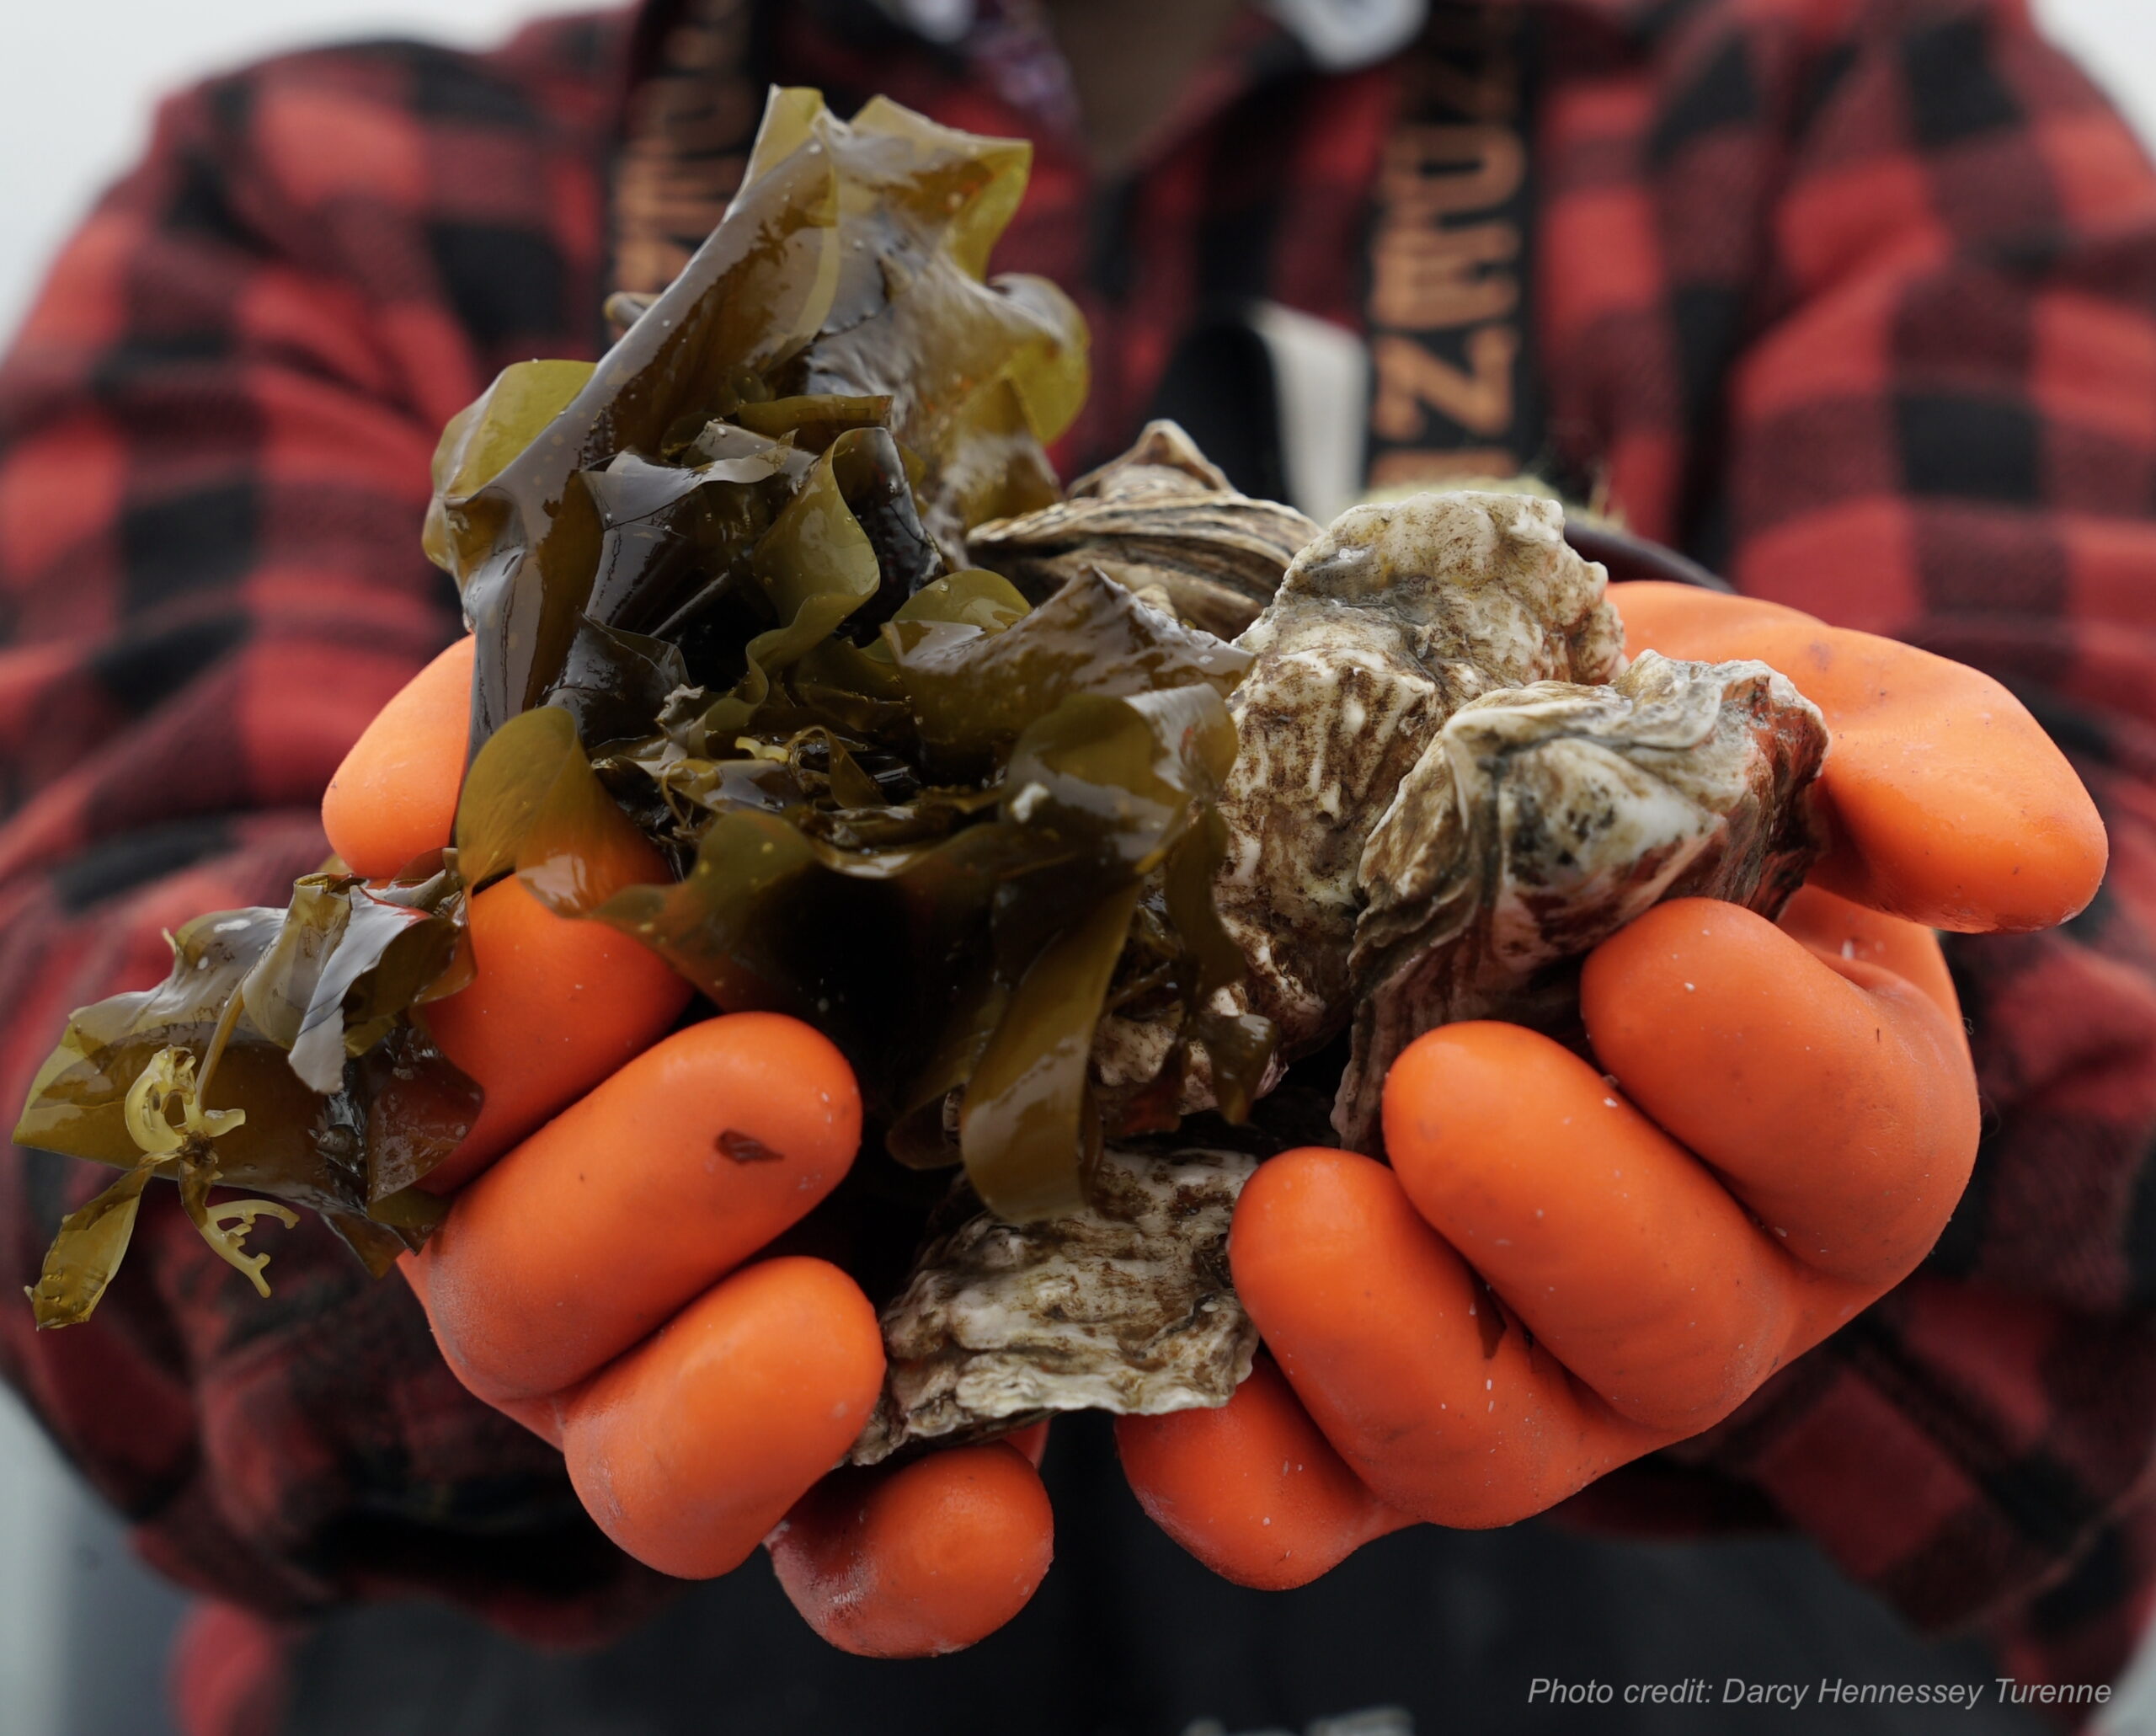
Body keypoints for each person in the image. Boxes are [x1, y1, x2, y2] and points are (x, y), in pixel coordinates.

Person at [0, 1, 2152, 1732]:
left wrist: (1909, 1030)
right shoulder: (315, 183)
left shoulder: (1854, 86)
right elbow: (65, 1025)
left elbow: (2101, 872)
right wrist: (424, 1149)